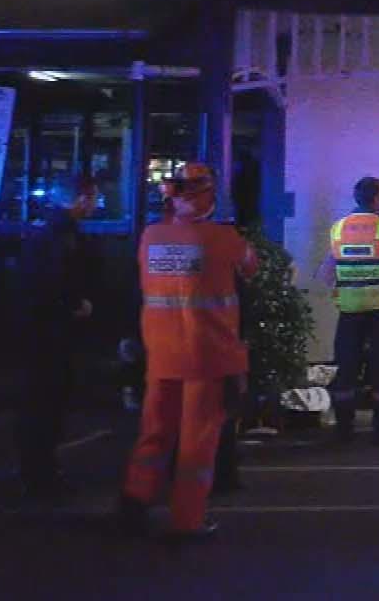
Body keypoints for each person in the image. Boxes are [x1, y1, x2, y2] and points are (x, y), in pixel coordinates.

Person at [117, 163, 256, 542]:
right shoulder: (222, 238)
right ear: (208, 196)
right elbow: (250, 267)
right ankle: (187, 520)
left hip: (161, 354)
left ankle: (134, 501)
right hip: (206, 357)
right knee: (197, 443)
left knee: (154, 434)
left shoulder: (151, 236)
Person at [15, 176, 99, 501]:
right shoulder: (61, 236)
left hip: (39, 332)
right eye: (93, 199)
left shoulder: (45, 231)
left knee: (40, 403)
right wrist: (75, 306)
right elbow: (54, 283)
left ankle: (37, 471)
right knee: (46, 404)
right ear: (80, 199)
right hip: (51, 333)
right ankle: (41, 475)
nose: (95, 206)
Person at [317, 177, 379, 445]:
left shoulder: (339, 229)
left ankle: (344, 430)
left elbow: (327, 271)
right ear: (377, 198)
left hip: (349, 310)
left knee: (346, 369)